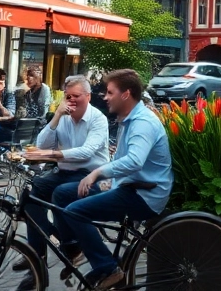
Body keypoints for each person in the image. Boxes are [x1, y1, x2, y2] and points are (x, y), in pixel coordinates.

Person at [51, 70, 171, 290]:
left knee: (75, 211)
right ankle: (74, 248)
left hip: (144, 193)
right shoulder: (129, 119)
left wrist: (97, 173)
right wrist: (109, 181)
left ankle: (107, 267)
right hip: (129, 186)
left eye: (109, 92)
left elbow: (135, 161)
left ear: (126, 94)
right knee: (63, 194)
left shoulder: (142, 123)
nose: (105, 97)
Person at [20, 76, 110, 282]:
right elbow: (42, 144)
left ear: (88, 96)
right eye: (68, 96)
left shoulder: (98, 119)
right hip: (64, 171)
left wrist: (53, 155)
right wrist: (56, 116)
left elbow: (86, 152)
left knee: (60, 193)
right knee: (31, 194)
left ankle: (69, 244)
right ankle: (37, 253)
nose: (72, 101)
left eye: (76, 96)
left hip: (91, 174)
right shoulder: (64, 117)